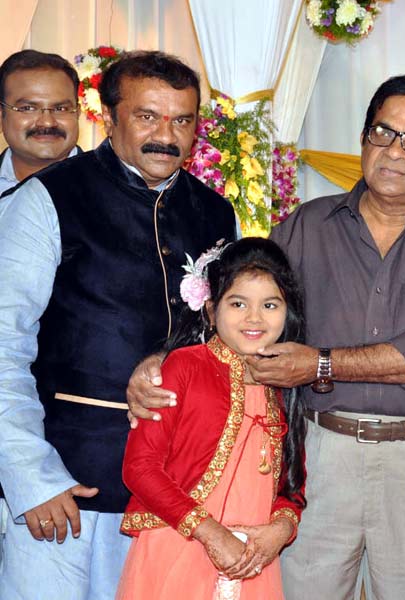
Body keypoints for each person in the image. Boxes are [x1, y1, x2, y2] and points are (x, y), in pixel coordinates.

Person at [128, 74, 405, 599]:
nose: (395, 150)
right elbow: (242, 304)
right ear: (363, 139)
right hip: (318, 451)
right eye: (383, 132)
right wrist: (160, 360)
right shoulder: (307, 225)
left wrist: (319, 363)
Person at [0, 50, 236, 600]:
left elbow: (229, 337)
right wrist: (32, 477)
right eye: (147, 117)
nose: (166, 136)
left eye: (181, 120)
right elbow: (4, 345)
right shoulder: (51, 198)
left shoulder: (214, 211)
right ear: (108, 117)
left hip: (178, 490)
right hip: (66, 488)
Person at [116, 238, 307, 599]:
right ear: (210, 310)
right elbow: (140, 467)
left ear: (288, 312)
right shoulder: (185, 366)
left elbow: (291, 487)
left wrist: (281, 530)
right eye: (238, 303)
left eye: (270, 305)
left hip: (252, 559)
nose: (254, 318)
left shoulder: (285, 382)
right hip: (179, 544)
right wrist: (211, 533)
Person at [0, 49, 81, 195]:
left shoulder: (112, 189)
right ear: (1, 115)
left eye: (60, 109)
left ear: (77, 113)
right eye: (28, 108)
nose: (47, 122)